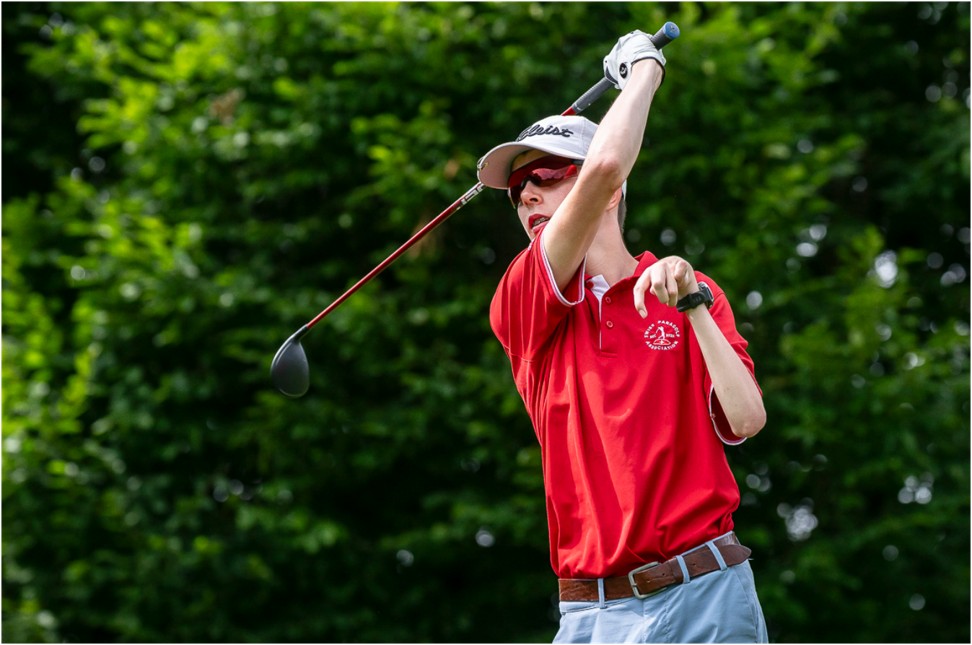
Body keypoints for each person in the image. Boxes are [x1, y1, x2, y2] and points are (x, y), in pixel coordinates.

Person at [476, 31, 769, 643]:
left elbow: (745, 419)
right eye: (518, 189)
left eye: (549, 175)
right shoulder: (525, 301)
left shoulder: (693, 288)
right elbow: (606, 162)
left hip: (709, 592)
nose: (527, 192)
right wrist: (644, 68)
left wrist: (693, 304)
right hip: (593, 619)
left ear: (607, 196)